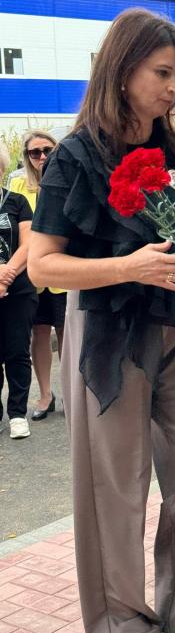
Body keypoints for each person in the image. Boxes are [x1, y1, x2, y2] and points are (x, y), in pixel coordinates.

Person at [28, 8, 175, 633]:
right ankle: (123, 628)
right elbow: (42, 266)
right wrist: (128, 266)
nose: (173, 88)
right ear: (122, 70)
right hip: (107, 334)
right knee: (116, 488)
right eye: (163, 73)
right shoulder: (75, 157)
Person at [11, 130, 66, 421]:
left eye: (48, 150)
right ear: (27, 156)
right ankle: (46, 395)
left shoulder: (67, 177)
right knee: (39, 333)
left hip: (65, 271)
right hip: (33, 274)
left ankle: (70, 392)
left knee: (67, 333)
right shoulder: (18, 185)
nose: (42, 157)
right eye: (35, 152)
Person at [0, 141, 37, 440]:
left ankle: (17, 414)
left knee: (17, 351)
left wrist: (5, 276)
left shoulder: (17, 201)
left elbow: (28, 244)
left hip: (18, 289)